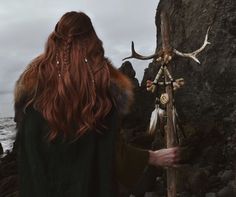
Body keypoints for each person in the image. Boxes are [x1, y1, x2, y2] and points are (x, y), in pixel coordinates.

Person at [14, 11, 179, 197]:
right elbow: (112, 155)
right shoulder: (100, 94)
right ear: (92, 40)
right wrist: (153, 157)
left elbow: (27, 159)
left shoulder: (30, 97)